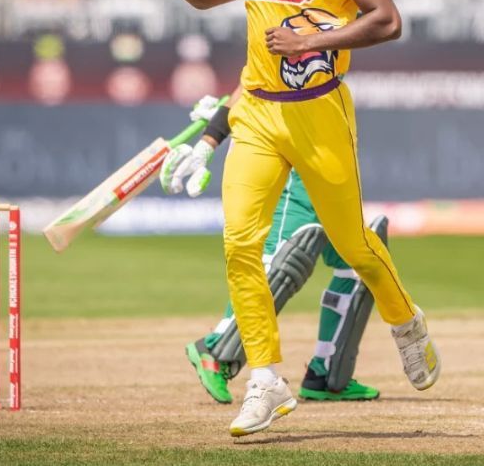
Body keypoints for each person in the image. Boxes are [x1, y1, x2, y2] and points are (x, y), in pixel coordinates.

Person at [149, 0, 440, 438]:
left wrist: (314, 43)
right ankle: (265, 379)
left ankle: (407, 323)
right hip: (256, 113)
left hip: (318, 116)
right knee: (238, 244)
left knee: (354, 245)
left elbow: (387, 20)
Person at [161, 89, 384, 404]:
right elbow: (256, 78)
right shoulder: (293, 38)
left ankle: (328, 374)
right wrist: (213, 134)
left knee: (360, 261)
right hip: (294, 158)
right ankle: (216, 351)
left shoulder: (333, 41)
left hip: (329, 156)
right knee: (284, 261)